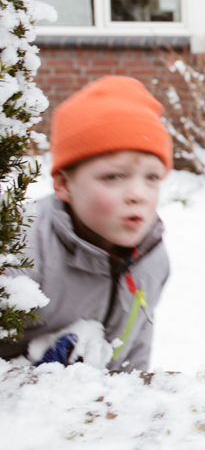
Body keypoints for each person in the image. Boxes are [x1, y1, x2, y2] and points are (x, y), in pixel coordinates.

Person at [0, 76, 172, 372]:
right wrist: (31, 372)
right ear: (64, 185)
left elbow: (138, 347)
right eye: (113, 176)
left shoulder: (152, 259)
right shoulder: (21, 253)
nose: (138, 195)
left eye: (152, 177)